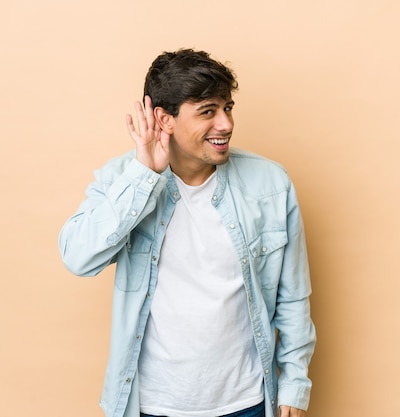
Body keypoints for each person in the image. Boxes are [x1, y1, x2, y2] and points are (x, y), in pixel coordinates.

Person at [59, 49, 316, 417]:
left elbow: (293, 298)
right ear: (164, 119)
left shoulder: (271, 184)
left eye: (227, 108)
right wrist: (144, 176)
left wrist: (294, 383)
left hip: (246, 402)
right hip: (151, 404)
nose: (225, 124)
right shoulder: (121, 179)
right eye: (208, 111)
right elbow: (77, 258)